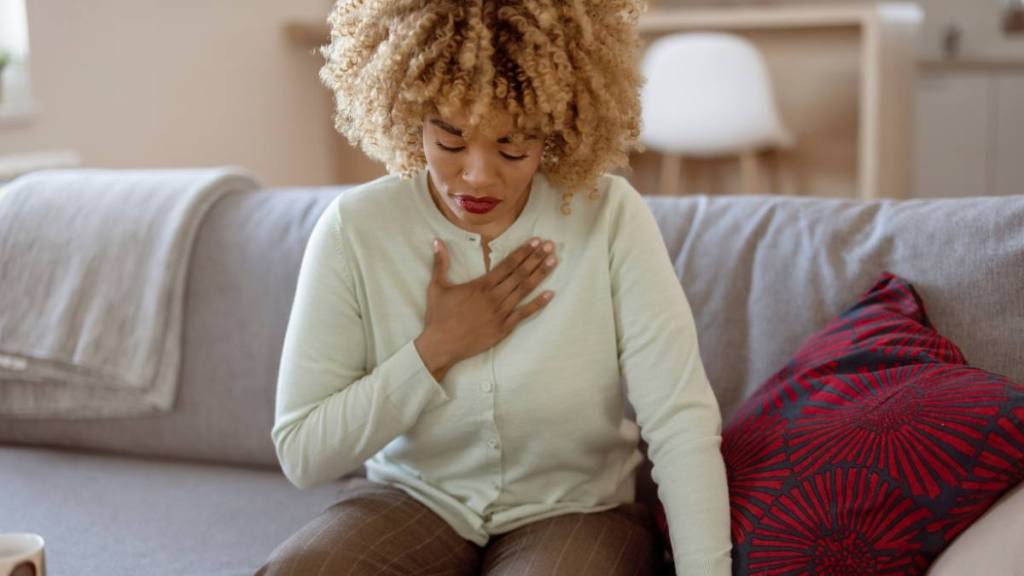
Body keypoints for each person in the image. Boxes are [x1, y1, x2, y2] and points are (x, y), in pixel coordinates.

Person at [257, 1, 732, 574]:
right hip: (415, 501)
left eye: (514, 145)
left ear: (557, 124)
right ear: (410, 114)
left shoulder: (608, 217)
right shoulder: (356, 228)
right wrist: (437, 349)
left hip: (576, 511)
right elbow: (304, 453)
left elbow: (679, 421)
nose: (479, 175)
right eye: (450, 140)